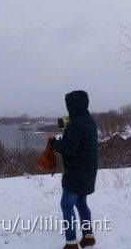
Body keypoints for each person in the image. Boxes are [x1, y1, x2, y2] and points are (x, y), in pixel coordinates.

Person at [50, 90, 98, 249]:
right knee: (81, 203)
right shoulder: (89, 120)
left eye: (69, 104)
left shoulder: (75, 123)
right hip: (88, 171)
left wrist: (53, 144)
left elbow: (68, 149)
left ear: (73, 105)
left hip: (76, 173)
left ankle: (71, 243)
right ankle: (88, 237)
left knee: (67, 205)